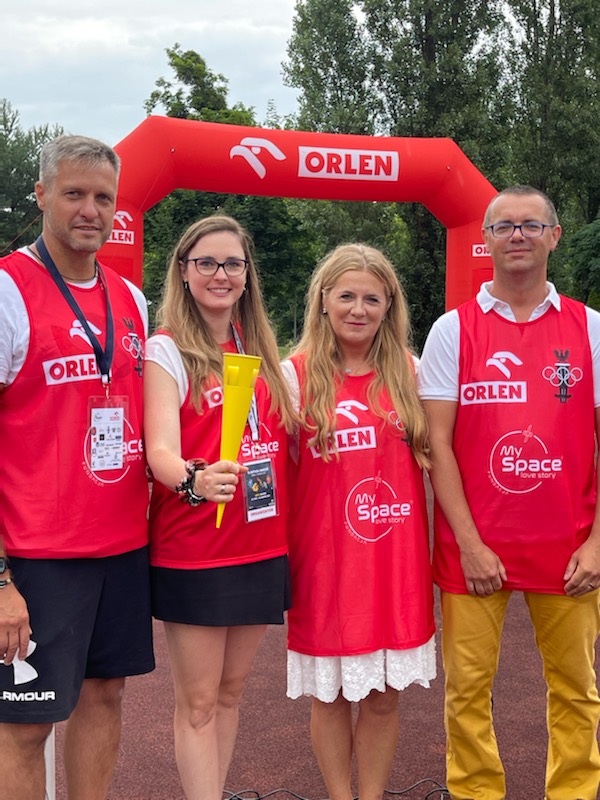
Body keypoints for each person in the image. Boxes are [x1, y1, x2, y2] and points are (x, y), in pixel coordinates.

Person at [418, 185, 600, 800]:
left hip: (571, 548)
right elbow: (437, 444)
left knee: (576, 689)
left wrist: (598, 544)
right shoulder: (451, 330)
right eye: (504, 226)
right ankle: (475, 793)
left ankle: (574, 792)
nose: (517, 235)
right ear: (486, 239)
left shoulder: (590, 328)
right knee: (467, 690)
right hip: (474, 550)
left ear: (554, 236)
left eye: (531, 224)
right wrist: (470, 545)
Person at [0, 135, 154, 800]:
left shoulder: (132, 299)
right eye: (74, 194)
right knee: (25, 725)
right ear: (41, 196)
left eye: (103, 197)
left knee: (105, 695)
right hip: (38, 555)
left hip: (121, 545)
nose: (90, 210)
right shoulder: (8, 289)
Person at [144, 214, 295, 800]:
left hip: (260, 546)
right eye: (206, 262)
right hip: (196, 551)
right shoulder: (167, 349)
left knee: (231, 695)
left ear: (247, 273)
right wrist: (195, 480)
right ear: (183, 271)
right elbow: (159, 449)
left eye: (233, 263)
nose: (220, 274)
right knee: (200, 702)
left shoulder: (261, 348)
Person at [282, 244, 436, 800]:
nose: (358, 308)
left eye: (372, 298)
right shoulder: (293, 376)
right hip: (326, 564)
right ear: (323, 300)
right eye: (346, 295)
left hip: (395, 561)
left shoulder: (413, 372)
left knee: (383, 697)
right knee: (330, 697)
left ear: (389, 305)